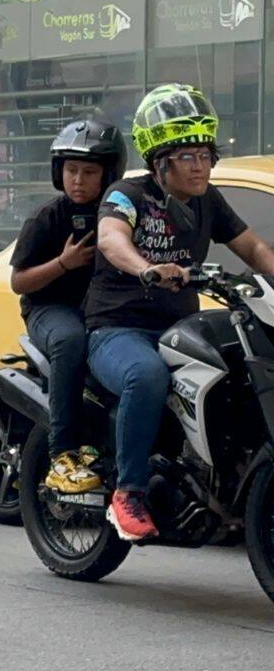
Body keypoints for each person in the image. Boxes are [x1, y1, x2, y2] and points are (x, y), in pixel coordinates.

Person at [88, 84, 274, 541]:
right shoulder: (127, 194)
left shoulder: (208, 200)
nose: (199, 166)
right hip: (118, 329)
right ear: (159, 162)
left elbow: (252, 247)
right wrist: (146, 269)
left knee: (239, 364)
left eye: (205, 155)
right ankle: (128, 493)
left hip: (178, 326)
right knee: (146, 375)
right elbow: (111, 239)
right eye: (186, 156)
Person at [9, 118, 127, 493]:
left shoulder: (120, 214)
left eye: (89, 172)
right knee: (71, 339)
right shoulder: (47, 217)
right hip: (50, 309)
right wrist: (64, 263)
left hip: (101, 311)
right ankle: (62, 453)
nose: (78, 180)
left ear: (108, 174)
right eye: (71, 170)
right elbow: (19, 282)